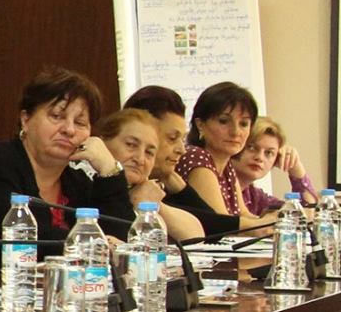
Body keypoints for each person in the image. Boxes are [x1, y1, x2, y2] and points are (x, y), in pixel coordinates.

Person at [0, 66, 132, 239]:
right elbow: (23, 239)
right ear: (25, 120)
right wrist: (96, 242)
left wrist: (109, 170)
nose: (69, 129)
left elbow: (122, 237)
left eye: (80, 122)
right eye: (56, 116)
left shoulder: (76, 182)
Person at [124, 84, 235, 238]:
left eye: (182, 139)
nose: (182, 150)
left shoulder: (162, 181)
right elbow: (215, 230)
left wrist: (179, 186)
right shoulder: (114, 187)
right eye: (172, 138)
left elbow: (213, 226)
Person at [173, 81, 275, 233]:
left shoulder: (226, 164)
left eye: (243, 124)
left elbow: (243, 214)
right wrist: (267, 224)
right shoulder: (196, 157)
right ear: (200, 124)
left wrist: (274, 221)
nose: (235, 132)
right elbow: (224, 224)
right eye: (224, 121)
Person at [96, 107, 204, 242]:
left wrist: (151, 205)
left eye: (149, 152)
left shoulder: (141, 188)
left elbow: (197, 235)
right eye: (131, 145)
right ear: (102, 142)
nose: (140, 159)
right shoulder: (84, 183)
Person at [230, 117, 319, 216]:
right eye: (251, 147)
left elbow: (307, 214)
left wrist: (295, 166)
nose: (259, 157)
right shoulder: (218, 187)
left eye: (268, 153)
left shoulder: (255, 196)